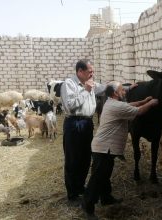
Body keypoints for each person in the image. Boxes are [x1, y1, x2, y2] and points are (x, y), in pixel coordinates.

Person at [82, 81, 158, 219]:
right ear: (115, 93)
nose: (125, 92)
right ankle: (88, 206)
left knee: (104, 175)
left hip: (105, 148)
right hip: (103, 148)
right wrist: (151, 103)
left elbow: (129, 106)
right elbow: (138, 111)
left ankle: (106, 198)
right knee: (97, 178)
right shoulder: (116, 106)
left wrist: (143, 100)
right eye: (122, 90)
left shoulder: (112, 103)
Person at [60, 59, 106, 204]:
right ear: (80, 71)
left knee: (85, 158)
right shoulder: (69, 84)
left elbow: (105, 88)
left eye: (93, 71)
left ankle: (80, 187)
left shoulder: (91, 83)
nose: (93, 73)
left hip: (87, 123)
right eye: (90, 71)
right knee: (73, 159)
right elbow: (70, 106)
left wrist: (127, 87)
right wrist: (86, 90)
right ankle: (72, 195)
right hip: (74, 123)